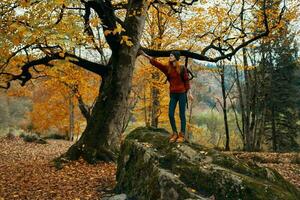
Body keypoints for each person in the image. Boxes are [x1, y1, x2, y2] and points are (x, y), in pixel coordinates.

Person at [140, 50, 193, 143]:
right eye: (170, 55)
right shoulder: (168, 68)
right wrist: (145, 55)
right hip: (173, 94)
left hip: (182, 94)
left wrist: (190, 93)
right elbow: (157, 64)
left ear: (176, 58)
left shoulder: (182, 68)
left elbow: (186, 81)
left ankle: (182, 135)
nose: (170, 57)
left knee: (182, 115)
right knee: (170, 114)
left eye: (172, 55)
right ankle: (175, 133)